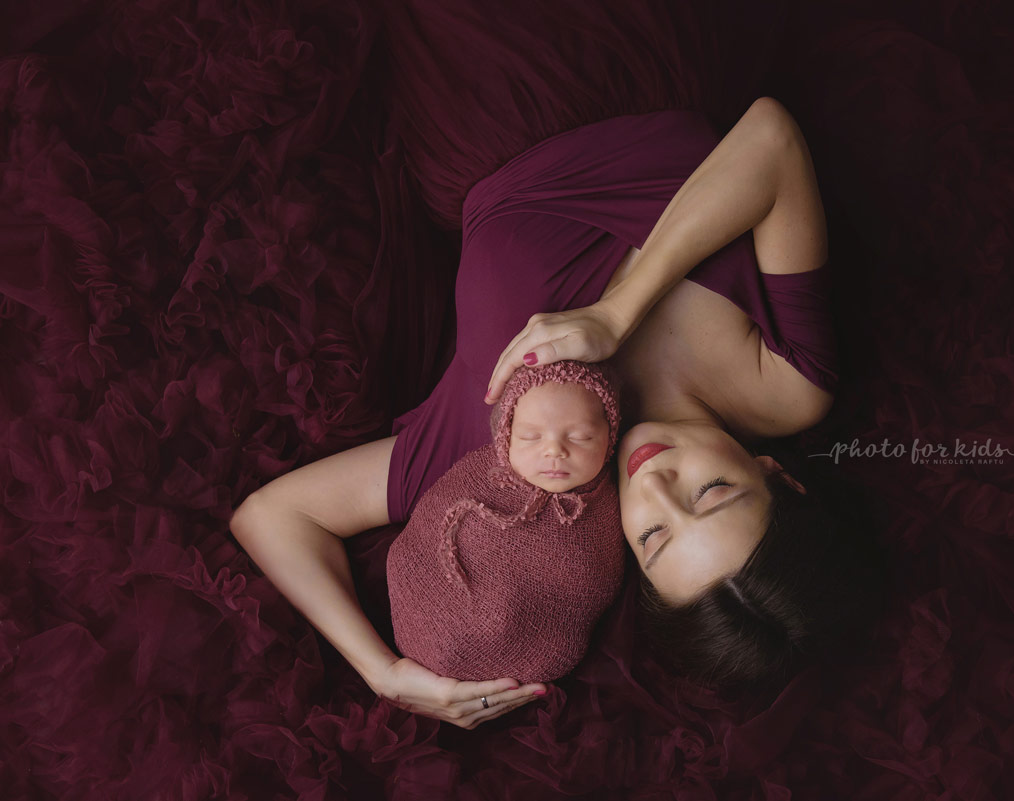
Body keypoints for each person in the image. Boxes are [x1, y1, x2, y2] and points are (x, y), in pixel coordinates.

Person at [230, 97, 876, 729]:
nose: (655, 485)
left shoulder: (509, 453)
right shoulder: (787, 384)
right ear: (777, 475)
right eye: (711, 491)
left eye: (653, 537)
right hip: (644, 63)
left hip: (480, 105)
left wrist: (382, 672)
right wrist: (614, 314)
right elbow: (770, 137)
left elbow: (273, 515)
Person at [386, 360, 624, 684]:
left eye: (581, 437)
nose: (554, 450)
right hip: (421, 614)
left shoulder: (606, 513)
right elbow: (430, 523)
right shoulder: (483, 475)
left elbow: (591, 587)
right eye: (530, 436)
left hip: (520, 651)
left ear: (609, 437)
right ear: (506, 435)